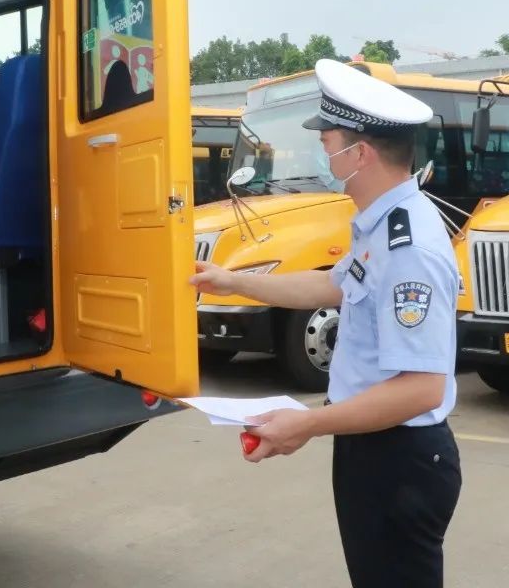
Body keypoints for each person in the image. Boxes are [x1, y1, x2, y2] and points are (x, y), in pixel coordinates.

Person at [191, 59, 462, 588]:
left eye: (329, 138)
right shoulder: (380, 222)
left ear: (359, 154)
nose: (322, 148)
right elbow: (331, 286)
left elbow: (423, 389)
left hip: (400, 459)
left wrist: (307, 424)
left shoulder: (409, 248)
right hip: (372, 446)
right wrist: (235, 282)